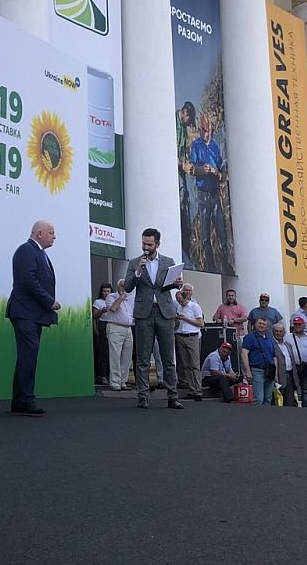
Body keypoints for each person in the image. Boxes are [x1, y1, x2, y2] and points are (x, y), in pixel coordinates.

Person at [125, 227, 184, 410]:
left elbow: (170, 285)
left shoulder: (168, 261)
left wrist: (177, 284)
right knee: (143, 358)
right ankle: (142, 396)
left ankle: (172, 396)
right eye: (143, 243)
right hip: (144, 313)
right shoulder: (134, 262)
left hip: (164, 312)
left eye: (149, 244)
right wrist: (138, 272)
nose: (145, 247)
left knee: (168, 358)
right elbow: (127, 287)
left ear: (157, 244)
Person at [6, 220, 60, 416]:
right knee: (28, 356)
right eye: (51, 233)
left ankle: (21, 400)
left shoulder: (38, 252)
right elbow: (29, 280)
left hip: (32, 313)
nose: (54, 236)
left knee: (28, 356)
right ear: (39, 234)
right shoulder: (26, 250)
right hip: (24, 312)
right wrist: (49, 301)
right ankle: (25, 399)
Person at [189, 114, 232, 273]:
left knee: (222, 232)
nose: (204, 133)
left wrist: (215, 173)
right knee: (205, 235)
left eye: (206, 130)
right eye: (202, 130)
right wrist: (202, 170)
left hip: (214, 195)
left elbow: (223, 175)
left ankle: (226, 263)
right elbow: (192, 169)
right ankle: (210, 267)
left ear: (211, 130)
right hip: (202, 195)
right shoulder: (196, 145)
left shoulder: (215, 147)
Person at [101, 279, 134, 391]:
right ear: (118, 287)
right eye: (122, 286)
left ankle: (123, 382)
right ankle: (115, 382)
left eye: (126, 286)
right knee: (115, 356)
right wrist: (121, 297)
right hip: (115, 327)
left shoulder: (130, 298)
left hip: (128, 328)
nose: (124, 288)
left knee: (127, 357)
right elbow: (113, 308)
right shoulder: (111, 297)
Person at [174, 283, 205, 401]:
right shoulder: (178, 307)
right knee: (185, 364)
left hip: (192, 336)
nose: (180, 303)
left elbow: (201, 323)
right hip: (180, 335)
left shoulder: (194, 306)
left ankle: (198, 390)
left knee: (194, 365)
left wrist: (185, 318)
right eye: (179, 302)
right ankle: (191, 389)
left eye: (181, 301)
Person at [176, 102, 196, 265]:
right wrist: (182, 165)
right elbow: (168, 149)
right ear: (185, 113)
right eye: (189, 120)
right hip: (173, 173)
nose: (189, 124)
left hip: (180, 172)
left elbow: (182, 153)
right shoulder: (172, 123)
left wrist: (187, 165)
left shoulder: (182, 128)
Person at [241, 316, 276, 405]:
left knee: (268, 399)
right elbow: (244, 354)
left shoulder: (270, 339)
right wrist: (248, 371)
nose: (261, 325)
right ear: (255, 325)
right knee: (258, 399)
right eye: (259, 323)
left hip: (270, 371)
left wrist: (275, 373)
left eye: (264, 324)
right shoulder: (249, 337)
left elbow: (274, 357)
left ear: (267, 327)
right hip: (257, 370)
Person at [91, 283, 113, 387]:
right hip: (103, 324)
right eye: (104, 291)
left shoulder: (114, 299)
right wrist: (102, 311)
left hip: (113, 325)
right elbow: (94, 315)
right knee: (103, 351)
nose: (106, 293)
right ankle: (102, 375)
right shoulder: (98, 302)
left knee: (112, 351)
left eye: (108, 291)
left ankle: (110, 374)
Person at [272, 323, 296, 407]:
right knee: (278, 403)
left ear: (284, 333)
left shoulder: (288, 345)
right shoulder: (271, 344)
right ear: (273, 332)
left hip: (290, 375)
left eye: (281, 331)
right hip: (278, 376)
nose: (278, 333)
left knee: (290, 403)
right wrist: (275, 378)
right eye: (276, 331)